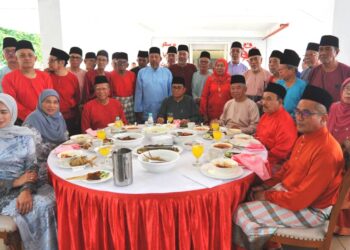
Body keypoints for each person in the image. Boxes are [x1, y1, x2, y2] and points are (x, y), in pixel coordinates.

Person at [233, 85, 343, 250]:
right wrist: (265, 185)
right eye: (298, 111)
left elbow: (301, 199)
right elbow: (286, 170)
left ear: (324, 119)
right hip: (291, 193)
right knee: (247, 196)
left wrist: (267, 195)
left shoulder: (327, 151)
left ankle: (267, 244)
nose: (299, 117)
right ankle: (270, 244)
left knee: (240, 213)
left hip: (312, 210)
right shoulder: (305, 138)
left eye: (306, 113)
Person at [0, 93, 58, 250]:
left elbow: (31, 166)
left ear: (12, 112)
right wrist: (15, 182)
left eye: (3, 112)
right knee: (37, 207)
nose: (0, 117)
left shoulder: (24, 135)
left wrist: (25, 190)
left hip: (26, 183)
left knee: (51, 201)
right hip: (3, 190)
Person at [2, 40, 53, 124]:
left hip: (46, 118)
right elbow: (12, 102)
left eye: (30, 55)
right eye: (22, 55)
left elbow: (50, 98)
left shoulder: (45, 76)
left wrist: (44, 115)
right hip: (21, 121)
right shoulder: (8, 78)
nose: (27, 58)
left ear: (35, 58)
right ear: (16, 58)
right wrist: (34, 116)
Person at [23, 89, 68, 184]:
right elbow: (37, 151)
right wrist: (61, 149)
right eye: (48, 102)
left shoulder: (59, 116)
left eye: (55, 102)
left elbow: (65, 137)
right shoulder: (33, 120)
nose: (52, 105)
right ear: (40, 102)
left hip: (61, 157)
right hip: (40, 165)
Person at [255, 83, 298, 172]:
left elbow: (281, 153)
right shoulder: (266, 115)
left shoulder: (286, 122)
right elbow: (258, 136)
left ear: (280, 101)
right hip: (258, 154)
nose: (264, 103)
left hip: (273, 163)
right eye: (263, 98)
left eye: (269, 99)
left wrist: (257, 156)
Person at [328, 77, 350, 235]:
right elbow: (327, 131)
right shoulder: (334, 107)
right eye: (346, 88)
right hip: (331, 153)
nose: (349, 92)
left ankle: (339, 225)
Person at [134, 47, 172, 123]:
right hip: (147, 110)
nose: (154, 59)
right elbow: (138, 93)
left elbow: (170, 92)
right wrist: (138, 110)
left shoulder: (167, 72)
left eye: (156, 57)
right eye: (151, 57)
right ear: (148, 59)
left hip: (163, 110)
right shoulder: (142, 73)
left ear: (160, 58)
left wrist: (170, 109)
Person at [48, 47, 81, 135]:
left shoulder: (72, 78)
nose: (48, 63)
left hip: (69, 118)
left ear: (61, 62)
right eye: (49, 60)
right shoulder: (47, 76)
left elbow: (77, 98)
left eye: (52, 60)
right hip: (51, 118)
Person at [309, 35, 350, 102]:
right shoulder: (314, 71)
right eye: (321, 49)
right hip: (316, 111)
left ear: (336, 52)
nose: (323, 53)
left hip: (338, 112)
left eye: (328, 49)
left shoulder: (347, 71)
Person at [277, 49, 307, 117]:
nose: (279, 72)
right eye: (279, 70)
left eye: (281, 70)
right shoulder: (279, 83)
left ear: (291, 69)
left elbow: (304, 107)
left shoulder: (302, 85)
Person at [200, 58, 231, 122]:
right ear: (215, 67)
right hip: (211, 112)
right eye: (217, 66)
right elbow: (204, 96)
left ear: (226, 67)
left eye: (222, 66)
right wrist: (204, 113)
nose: (219, 68)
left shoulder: (230, 79)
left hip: (227, 111)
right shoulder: (210, 79)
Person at [110, 52, 136, 123]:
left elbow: (134, 91)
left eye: (124, 62)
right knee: (117, 125)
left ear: (127, 64)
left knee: (130, 125)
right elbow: (110, 93)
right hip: (116, 104)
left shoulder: (132, 75)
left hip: (130, 104)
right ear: (116, 63)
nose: (121, 64)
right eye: (119, 62)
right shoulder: (110, 75)